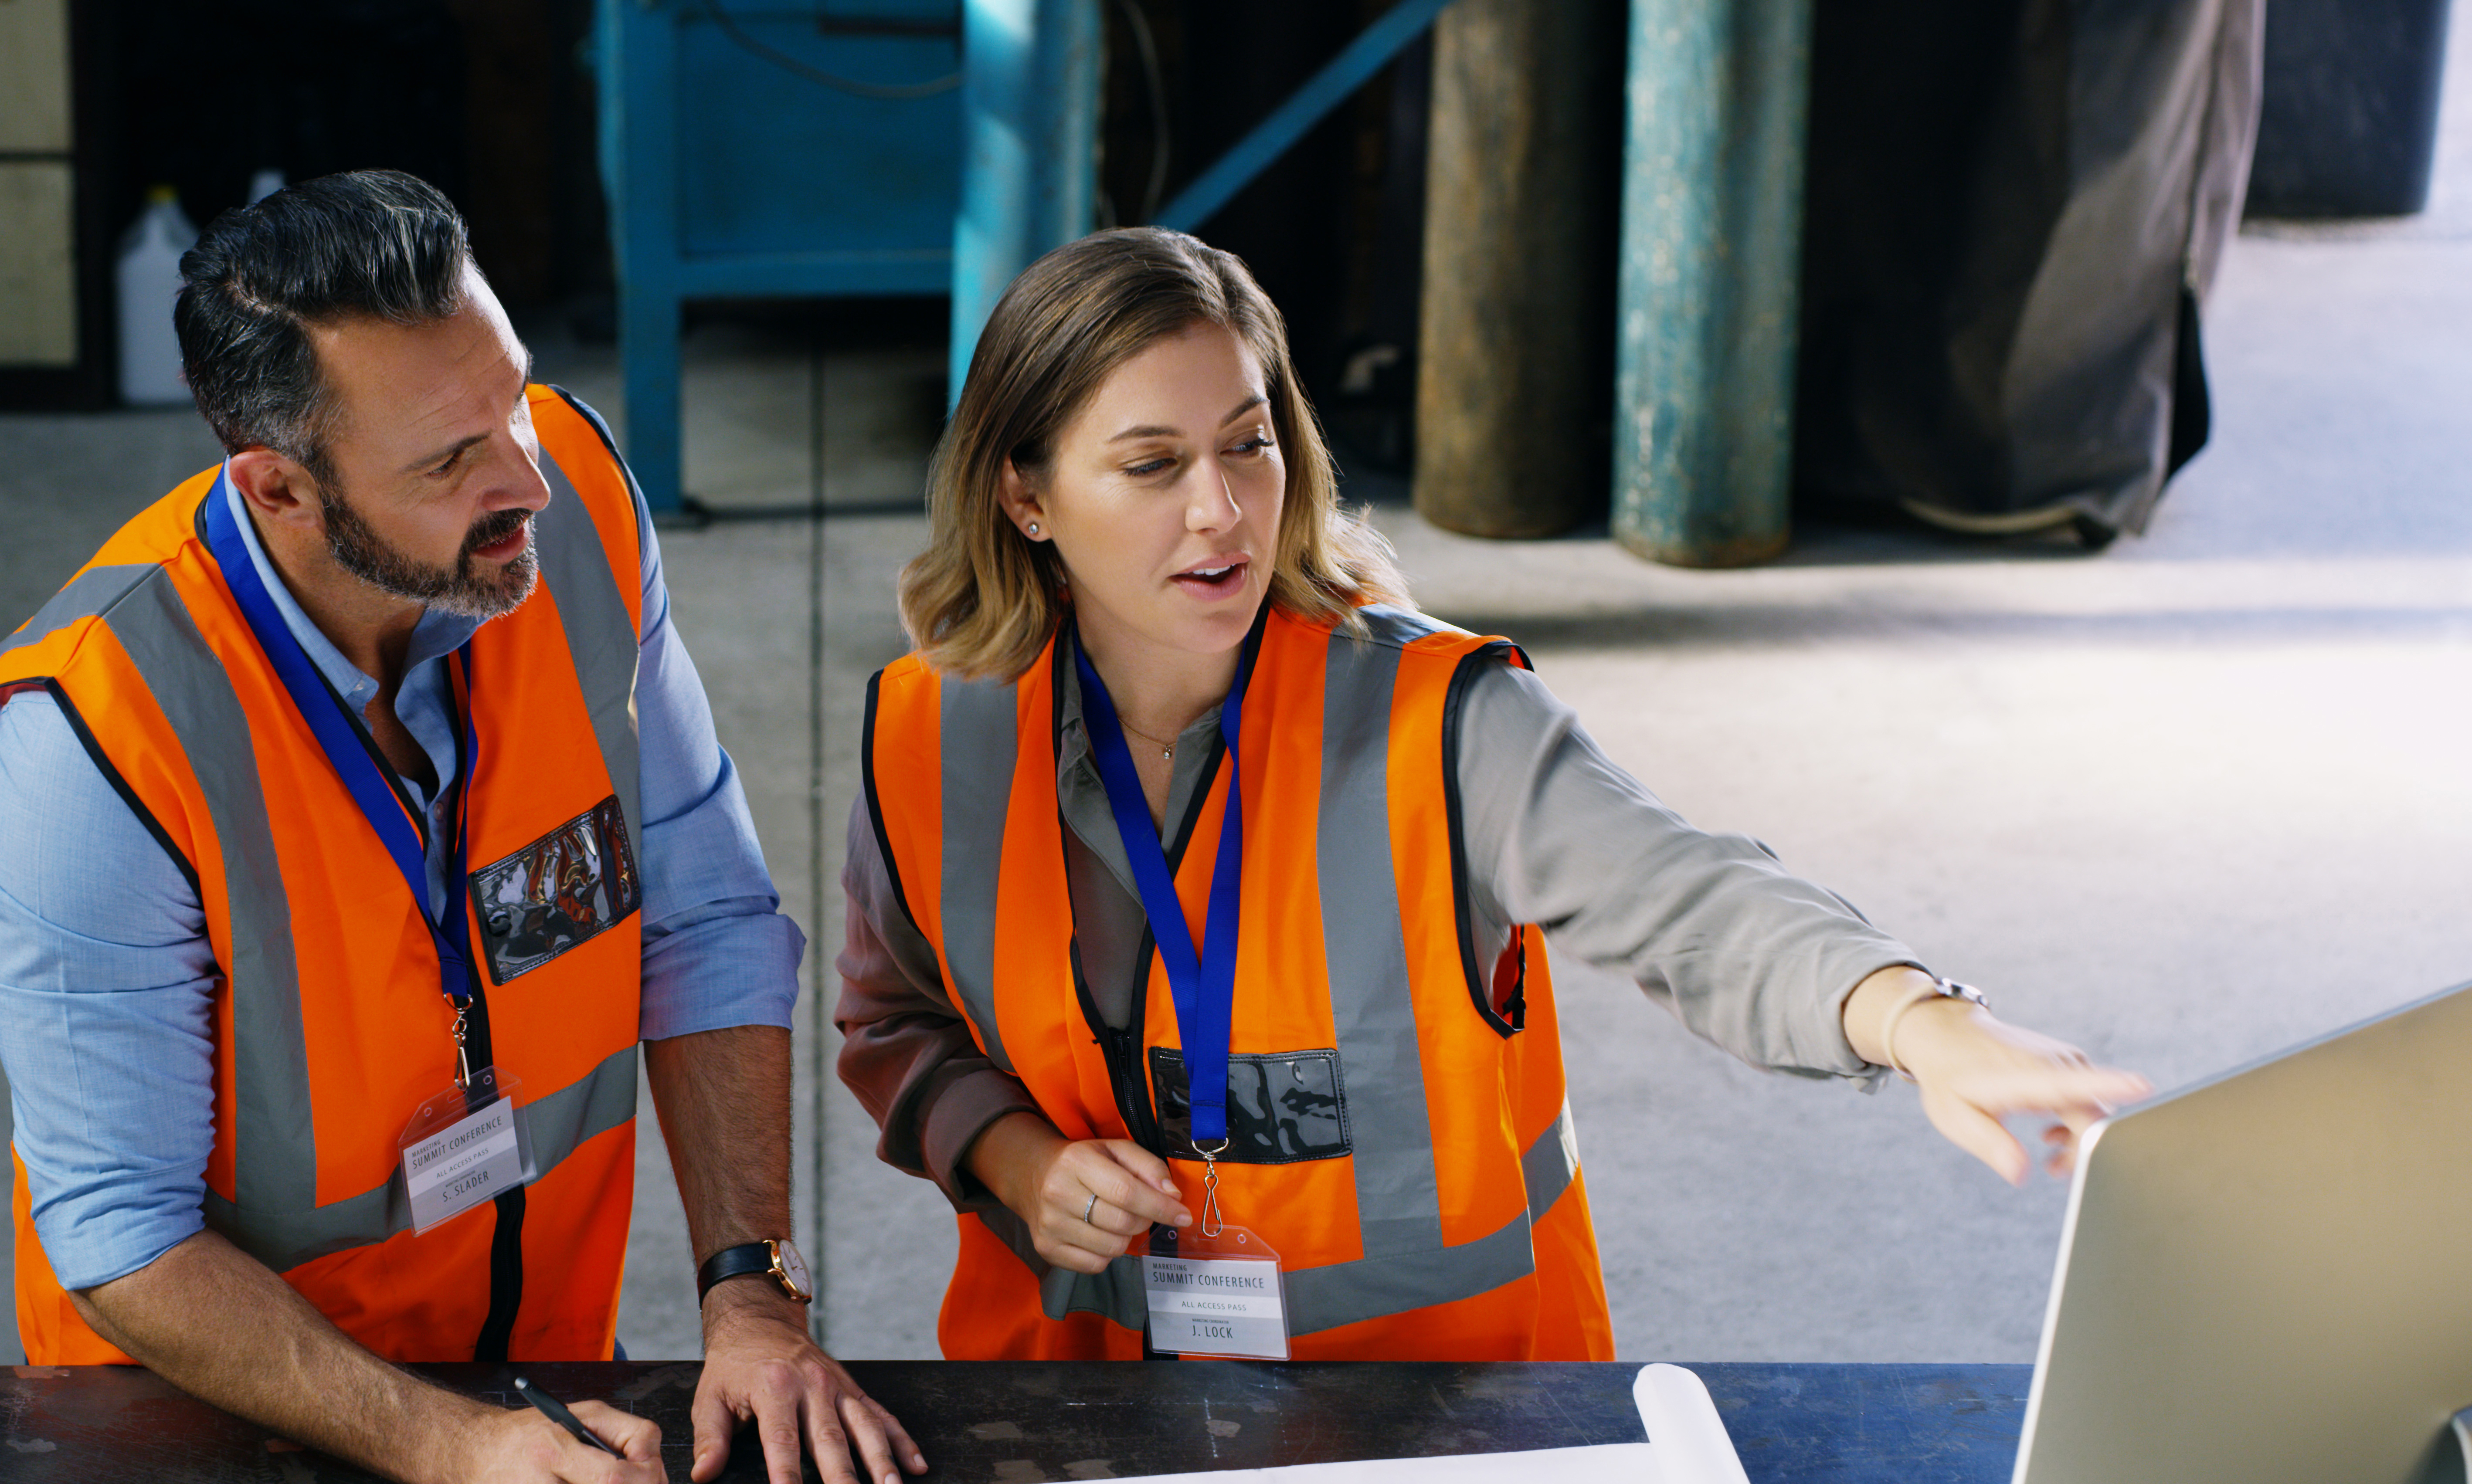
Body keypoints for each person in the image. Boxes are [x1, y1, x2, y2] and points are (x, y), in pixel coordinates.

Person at [836, 227, 2149, 1362]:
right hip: (1078, 1413)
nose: (1223, 512)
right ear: (1025, 496)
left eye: (1250, 445)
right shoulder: (931, 734)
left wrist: (1919, 1020)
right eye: (1151, 465)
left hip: (1448, 1422)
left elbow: (1689, 898)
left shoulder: (1440, 720)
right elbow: (893, 1018)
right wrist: (1013, 1157)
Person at [0, 171, 922, 1484]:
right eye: (448, 458)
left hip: (541, 1398)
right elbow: (122, 1233)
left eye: (511, 396)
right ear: (278, 486)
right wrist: (453, 1452)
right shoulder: (89, 755)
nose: (523, 476)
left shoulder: (570, 514)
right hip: (208, 1461)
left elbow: (707, 923)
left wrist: (752, 1293)